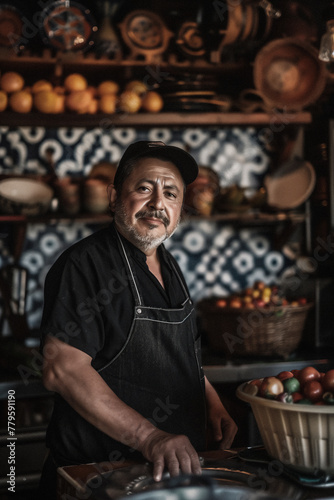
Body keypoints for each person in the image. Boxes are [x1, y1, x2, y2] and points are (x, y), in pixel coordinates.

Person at [39, 141, 237, 498]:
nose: (158, 203)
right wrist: (150, 437)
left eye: (171, 193)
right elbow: (62, 369)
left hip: (169, 474)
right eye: (144, 188)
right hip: (100, 476)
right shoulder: (85, 264)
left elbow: (179, 350)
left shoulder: (169, 265)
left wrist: (210, 400)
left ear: (180, 208)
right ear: (114, 197)